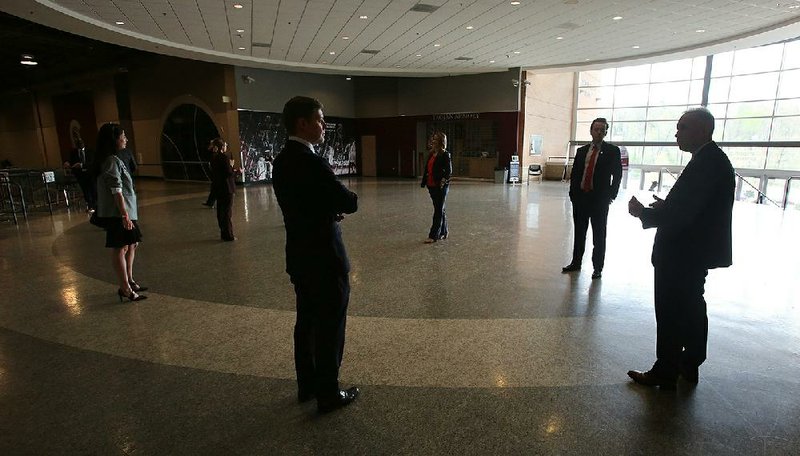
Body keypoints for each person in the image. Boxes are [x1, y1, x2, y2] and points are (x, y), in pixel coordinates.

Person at [627, 108, 734, 389]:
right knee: (691, 307)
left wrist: (643, 213)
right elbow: (692, 209)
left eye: (682, 127)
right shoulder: (710, 160)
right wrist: (667, 206)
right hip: (692, 252)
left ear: (700, 131)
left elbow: (684, 215)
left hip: (682, 253)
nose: (677, 133)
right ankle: (690, 362)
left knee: (671, 311)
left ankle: (666, 370)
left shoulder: (708, 163)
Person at [272, 96, 360, 413]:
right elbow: (347, 201)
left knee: (306, 322)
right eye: (320, 120)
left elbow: (302, 205)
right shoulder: (311, 161)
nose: (324, 126)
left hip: (299, 254)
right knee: (330, 325)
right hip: (325, 257)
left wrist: (325, 209)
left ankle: (306, 385)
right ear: (303, 123)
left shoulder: (281, 162)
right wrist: (340, 203)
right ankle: (328, 393)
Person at [93, 123, 147, 302]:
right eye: (123, 136)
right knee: (121, 247)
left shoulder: (116, 159)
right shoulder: (110, 161)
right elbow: (116, 190)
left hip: (127, 211)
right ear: (114, 140)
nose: (126, 139)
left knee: (132, 244)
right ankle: (124, 287)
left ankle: (129, 280)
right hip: (118, 213)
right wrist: (124, 215)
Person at [562, 117, 622, 279]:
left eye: (602, 130)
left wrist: (611, 195)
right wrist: (573, 194)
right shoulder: (582, 151)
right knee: (579, 232)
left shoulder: (612, 151)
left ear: (606, 132)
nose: (599, 132)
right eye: (596, 129)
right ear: (591, 131)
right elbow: (575, 174)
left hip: (599, 200)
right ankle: (576, 262)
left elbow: (617, 175)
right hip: (581, 198)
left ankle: (597, 267)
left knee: (599, 234)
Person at [420, 131, 452, 243]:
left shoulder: (445, 155)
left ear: (441, 142)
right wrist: (424, 181)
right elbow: (427, 169)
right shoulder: (431, 154)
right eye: (433, 138)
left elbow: (448, 172)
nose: (433, 141)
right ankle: (444, 231)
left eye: (436, 139)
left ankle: (434, 235)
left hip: (441, 186)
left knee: (438, 210)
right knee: (440, 209)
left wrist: (442, 183)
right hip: (431, 185)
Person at [209, 138, 237, 241]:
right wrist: (233, 167)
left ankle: (223, 233)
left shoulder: (214, 158)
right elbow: (228, 173)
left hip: (218, 188)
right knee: (227, 212)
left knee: (220, 212)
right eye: (225, 145)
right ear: (222, 147)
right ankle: (228, 235)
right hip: (227, 188)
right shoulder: (224, 158)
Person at [64, 138, 96, 212]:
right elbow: (71, 162)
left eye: (81, 142)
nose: (80, 144)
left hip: (90, 174)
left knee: (93, 189)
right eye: (78, 143)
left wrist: (82, 165)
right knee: (85, 190)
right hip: (80, 175)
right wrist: (68, 163)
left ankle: (95, 205)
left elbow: (92, 162)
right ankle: (90, 205)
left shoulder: (90, 151)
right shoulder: (73, 153)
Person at [203, 139, 216, 207]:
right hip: (214, 174)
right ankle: (210, 202)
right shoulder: (212, 153)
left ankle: (210, 202)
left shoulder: (215, 154)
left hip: (216, 174)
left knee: (214, 188)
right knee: (214, 188)